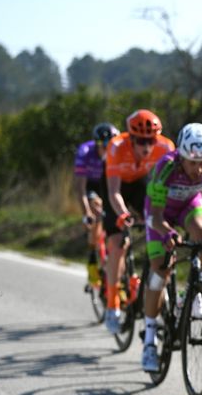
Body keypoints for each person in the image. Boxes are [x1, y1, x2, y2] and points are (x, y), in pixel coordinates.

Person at [140, 123, 202, 373]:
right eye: (193, 163)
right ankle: (150, 340)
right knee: (159, 274)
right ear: (181, 156)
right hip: (159, 213)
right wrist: (167, 233)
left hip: (188, 205)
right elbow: (154, 215)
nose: (199, 170)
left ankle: (195, 290)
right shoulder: (166, 166)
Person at [103, 109, 176, 334]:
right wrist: (124, 214)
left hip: (141, 184)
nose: (147, 147)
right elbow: (114, 192)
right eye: (142, 141)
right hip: (117, 187)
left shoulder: (166, 147)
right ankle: (112, 305)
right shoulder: (116, 147)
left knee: (155, 225)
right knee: (118, 243)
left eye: (151, 140)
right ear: (131, 138)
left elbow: (169, 188)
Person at [74, 122, 119, 287]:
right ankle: (92, 260)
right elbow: (80, 187)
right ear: (97, 145)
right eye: (104, 148)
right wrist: (87, 211)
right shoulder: (85, 152)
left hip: (109, 184)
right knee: (97, 212)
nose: (107, 152)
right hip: (91, 186)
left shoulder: (118, 151)